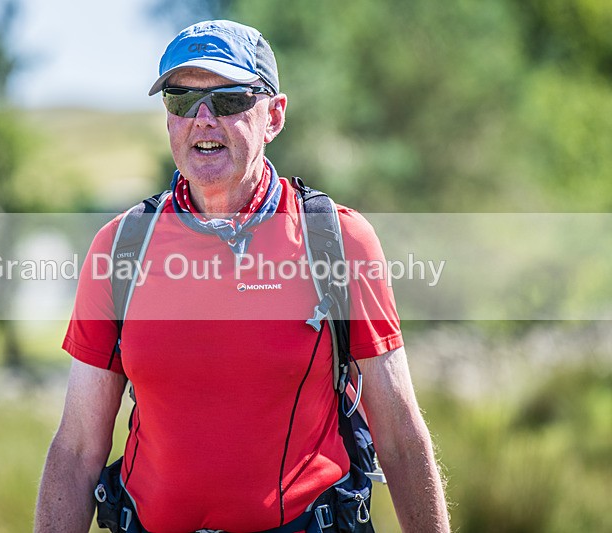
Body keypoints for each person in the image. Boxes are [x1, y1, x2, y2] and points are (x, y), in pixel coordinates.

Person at [35, 20, 449, 533]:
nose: (203, 119)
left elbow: (402, 438)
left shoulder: (338, 240)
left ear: (274, 115)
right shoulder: (121, 248)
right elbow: (76, 450)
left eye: (229, 100)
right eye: (181, 100)